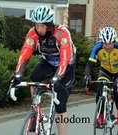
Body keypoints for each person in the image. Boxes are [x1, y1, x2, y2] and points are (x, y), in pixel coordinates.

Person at [10, 6, 76, 135]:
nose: (39, 29)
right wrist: (18, 74)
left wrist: (58, 77)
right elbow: (25, 53)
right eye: (36, 25)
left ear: (49, 25)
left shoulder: (61, 33)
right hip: (47, 61)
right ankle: (36, 111)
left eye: (42, 26)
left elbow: (64, 58)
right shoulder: (33, 33)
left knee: (60, 105)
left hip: (66, 65)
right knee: (34, 78)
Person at [84, 26, 118, 126]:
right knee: (100, 89)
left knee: (116, 90)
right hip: (105, 71)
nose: (107, 46)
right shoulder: (97, 48)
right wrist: (87, 76)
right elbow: (89, 65)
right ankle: (100, 116)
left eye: (110, 43)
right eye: (105, 43)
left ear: (114, 42)